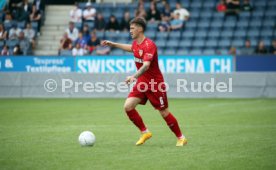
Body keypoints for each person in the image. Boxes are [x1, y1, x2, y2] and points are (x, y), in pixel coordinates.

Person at [101, 17, 187, 147]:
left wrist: (134, 76)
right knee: (128, 107)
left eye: (132, 28)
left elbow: (146, 65)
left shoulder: (149, 45)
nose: (130, 31)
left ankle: (181, 137)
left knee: (164, 112)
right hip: (142, 82)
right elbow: (131, 48)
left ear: (140, 28)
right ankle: (145, 132)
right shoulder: (136, 43)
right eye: (130, 28)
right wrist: (114, 44)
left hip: (155, 83)